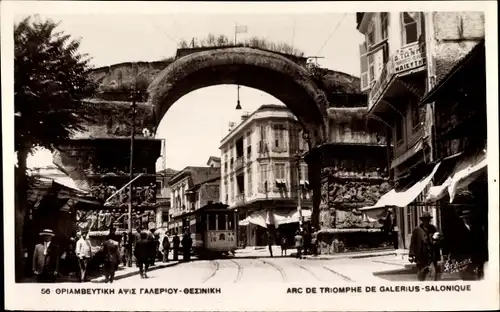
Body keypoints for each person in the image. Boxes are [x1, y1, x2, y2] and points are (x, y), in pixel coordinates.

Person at [455, 209, 488, 280]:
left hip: (475, 258)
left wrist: (484, 257)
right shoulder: (458, 230)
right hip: (463, 258)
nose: (467, 219)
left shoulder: (477, 229)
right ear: (463, 218)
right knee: (465, 278)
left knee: (476, 278)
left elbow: (482, 242)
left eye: (469, 217)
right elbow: (455, 245)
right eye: (466, 218)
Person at [409, 212, 441, 281]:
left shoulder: (433, 228)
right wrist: (411, 255)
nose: (426, 221)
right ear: (422, 220)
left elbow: (438, 241)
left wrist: (436, 239)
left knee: (433, 274)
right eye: (425, 220)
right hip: (421, 256)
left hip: (431, 256)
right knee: (421, 275)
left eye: (428, 220)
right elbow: (413, 243)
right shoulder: (417, 230)